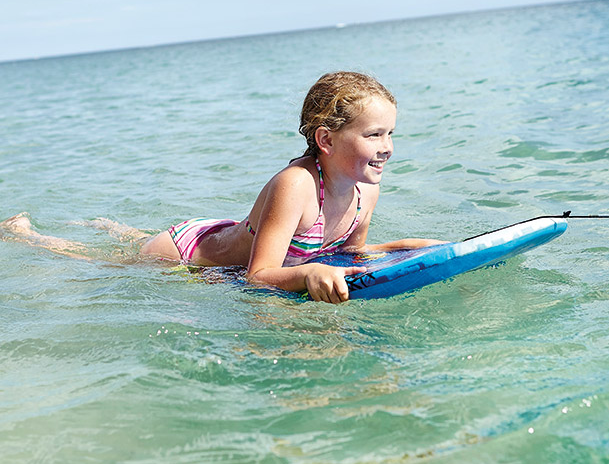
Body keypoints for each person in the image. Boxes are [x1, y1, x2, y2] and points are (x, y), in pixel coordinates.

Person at [2, 72, 442, 303]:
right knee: (106, 263)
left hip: (231, 234)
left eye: (390, 134)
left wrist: (407, 247)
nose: (386, 148)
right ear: (325, 139)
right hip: (189, 252)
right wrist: (307, 274)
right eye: (373, 135)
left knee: (128, 242)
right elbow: (257, 277)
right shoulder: (296, 184)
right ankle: (25, 235)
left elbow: (346, 256)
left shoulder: (367, 190)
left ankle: (110, 224)